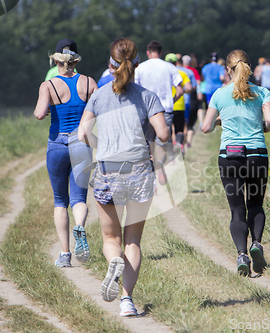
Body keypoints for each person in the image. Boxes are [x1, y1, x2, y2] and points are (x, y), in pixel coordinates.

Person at [78, 37, 169, 317]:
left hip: (108, 171)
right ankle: (127, 301)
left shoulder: (99, 95)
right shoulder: (147, 96)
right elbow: (164, 134)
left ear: (110, 64)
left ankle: (114, 261)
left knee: (110, 237)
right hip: (140, 171)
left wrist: (99, 145)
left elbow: (83, 133)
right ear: (137, 64)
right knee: (133, 240)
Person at [201, 50, 270, 277]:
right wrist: (263, 127)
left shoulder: (219, 94)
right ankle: (256, 244)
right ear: (249, 67)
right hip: (257, 155)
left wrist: (218, 121)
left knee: (237, 209)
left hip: (230, 157)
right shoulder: (261, 92)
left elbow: (205, 127)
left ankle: (242, 254)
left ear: (228, 69)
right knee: (255, 204)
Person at [33, 38, 97, 267]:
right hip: (81, 144)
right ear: (76, 60)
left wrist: (48, 106)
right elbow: (99, 112)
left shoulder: (48, 85)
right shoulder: (89, 83)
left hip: (57, 145)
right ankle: (80, 225)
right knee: (79, 198)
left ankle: (65, 254)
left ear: (56, 60)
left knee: (60, 201)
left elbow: (40, 114)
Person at [135, 40, 183, 184]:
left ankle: (152, 176)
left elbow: (134, 90)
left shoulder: (140, 68)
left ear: (148, 52)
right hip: (165, 110)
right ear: (161, 52)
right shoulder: (170, 67)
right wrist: (171, 101)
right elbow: (180, 90)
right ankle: (160, 164)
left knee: (149, 141)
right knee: (162, 141)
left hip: (146, 110)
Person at [165, 53, 192, 154]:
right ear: (177, 62)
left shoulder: (163, 74)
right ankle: (179, 144)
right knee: (179, 129)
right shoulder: (181, 73)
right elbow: (189, 88)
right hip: (180, 105)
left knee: (168, 130)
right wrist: (183, 91)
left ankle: (171, 153)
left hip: (167, 105)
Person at [182, 54, 202, 149]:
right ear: (189, 62)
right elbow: (196, 85)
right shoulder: (192, 71)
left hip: (176, 101)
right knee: (189, 124)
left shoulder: (178, 70)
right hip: (189, 101)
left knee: (180, 125)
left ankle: (179, 143)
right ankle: (187, 142)